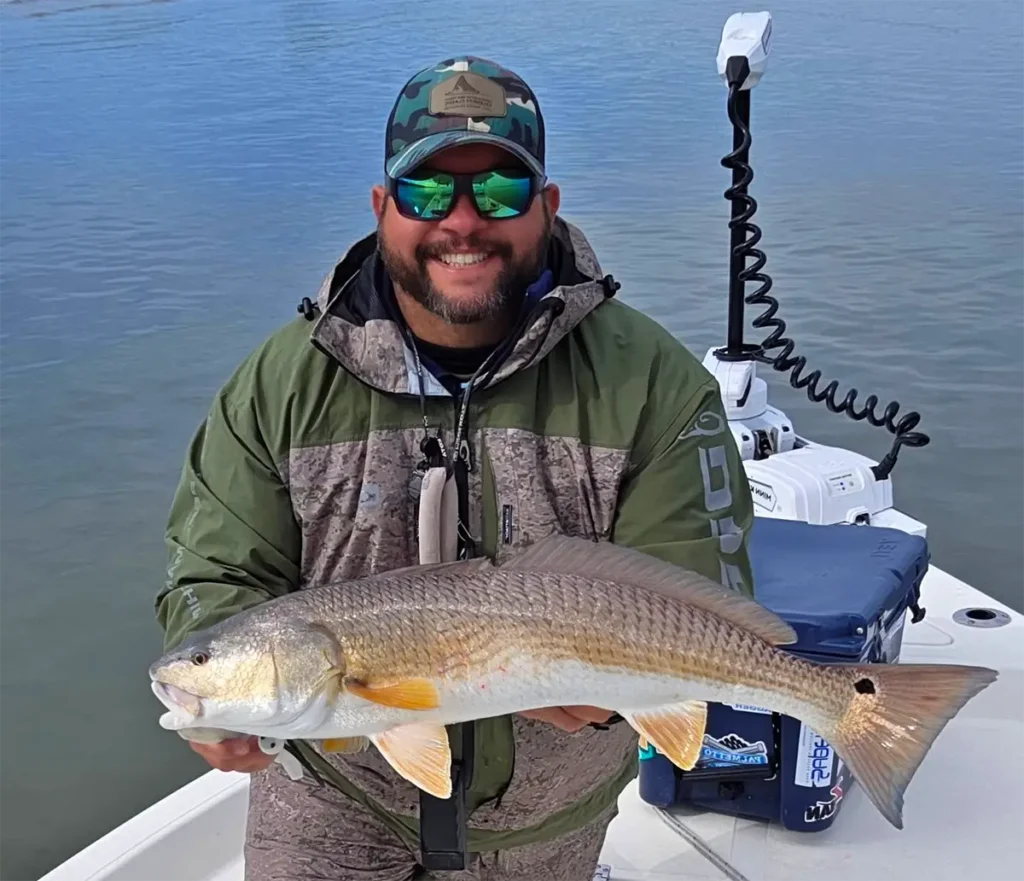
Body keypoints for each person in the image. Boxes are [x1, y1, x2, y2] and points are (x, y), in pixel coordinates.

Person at [155, 56, 755, 881]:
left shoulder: (653, 382)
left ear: (546, 208)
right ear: (382, 207)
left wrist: (614, 683)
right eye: (428, 193)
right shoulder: (280, 383)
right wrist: (217, 694)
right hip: (329, 798)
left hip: (552, 817)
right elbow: (216, 570)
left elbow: (694, 585)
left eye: (500, 194)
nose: (462, 222)